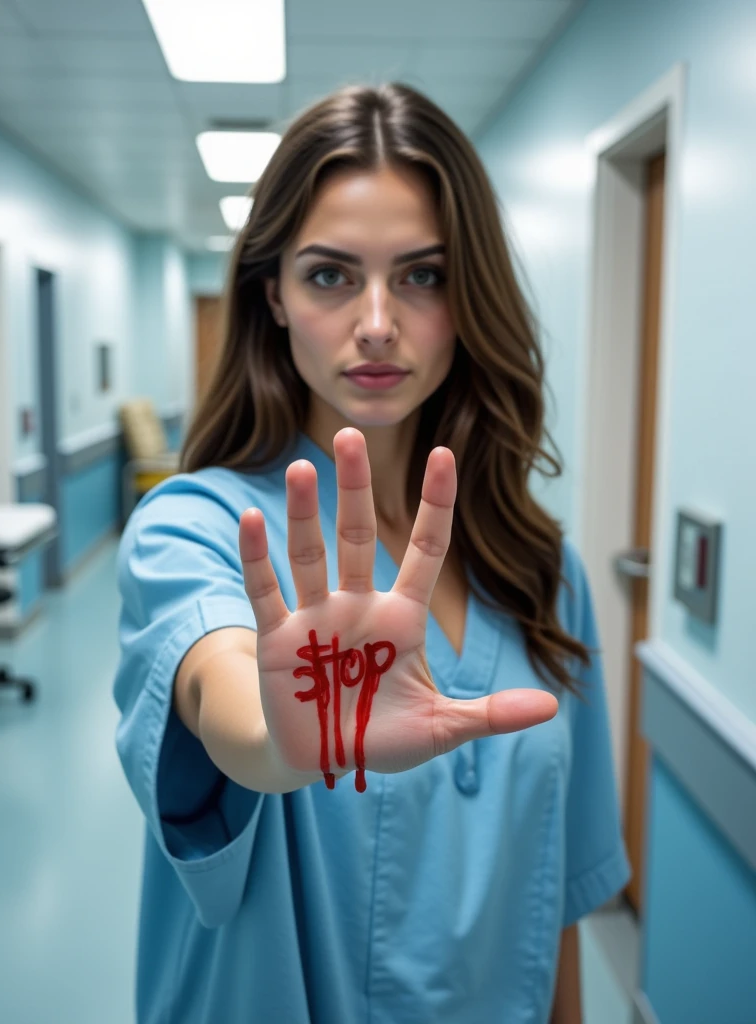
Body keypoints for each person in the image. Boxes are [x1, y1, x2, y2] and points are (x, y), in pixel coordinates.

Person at [112, 82, 631, 1024]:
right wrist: (285, 734)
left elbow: (552, 899)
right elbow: (229, 689)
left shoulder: (543, 573)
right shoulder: (195, 530)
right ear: (270, 294)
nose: (380, 321)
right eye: (330, 275)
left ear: (468, 293)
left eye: (424, 275)